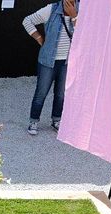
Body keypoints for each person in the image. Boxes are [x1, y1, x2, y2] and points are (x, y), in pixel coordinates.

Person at [23, 0, 79, 136]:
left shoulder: (81, 10)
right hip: (48, 60)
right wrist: (39, 38)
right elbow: (27, 21)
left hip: (67, 61)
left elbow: (86, 34)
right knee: (41, 92)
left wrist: (74, 16)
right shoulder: (51, 9)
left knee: (60, 94)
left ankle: (56, 120)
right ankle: (34, 121)